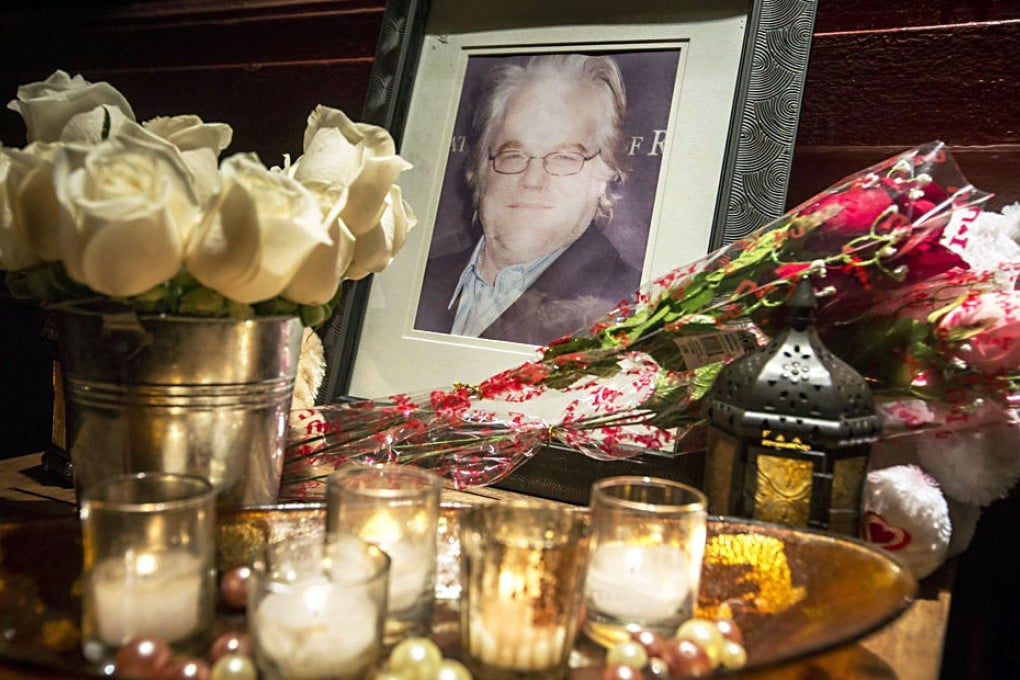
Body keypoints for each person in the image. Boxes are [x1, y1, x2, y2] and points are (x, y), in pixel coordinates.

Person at [415, 53, 641, 346]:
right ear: (479, 168)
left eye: (563, 157)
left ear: (606, 173)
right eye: (513, 154)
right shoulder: (414, 283)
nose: (532, 181)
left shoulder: (634, 309)